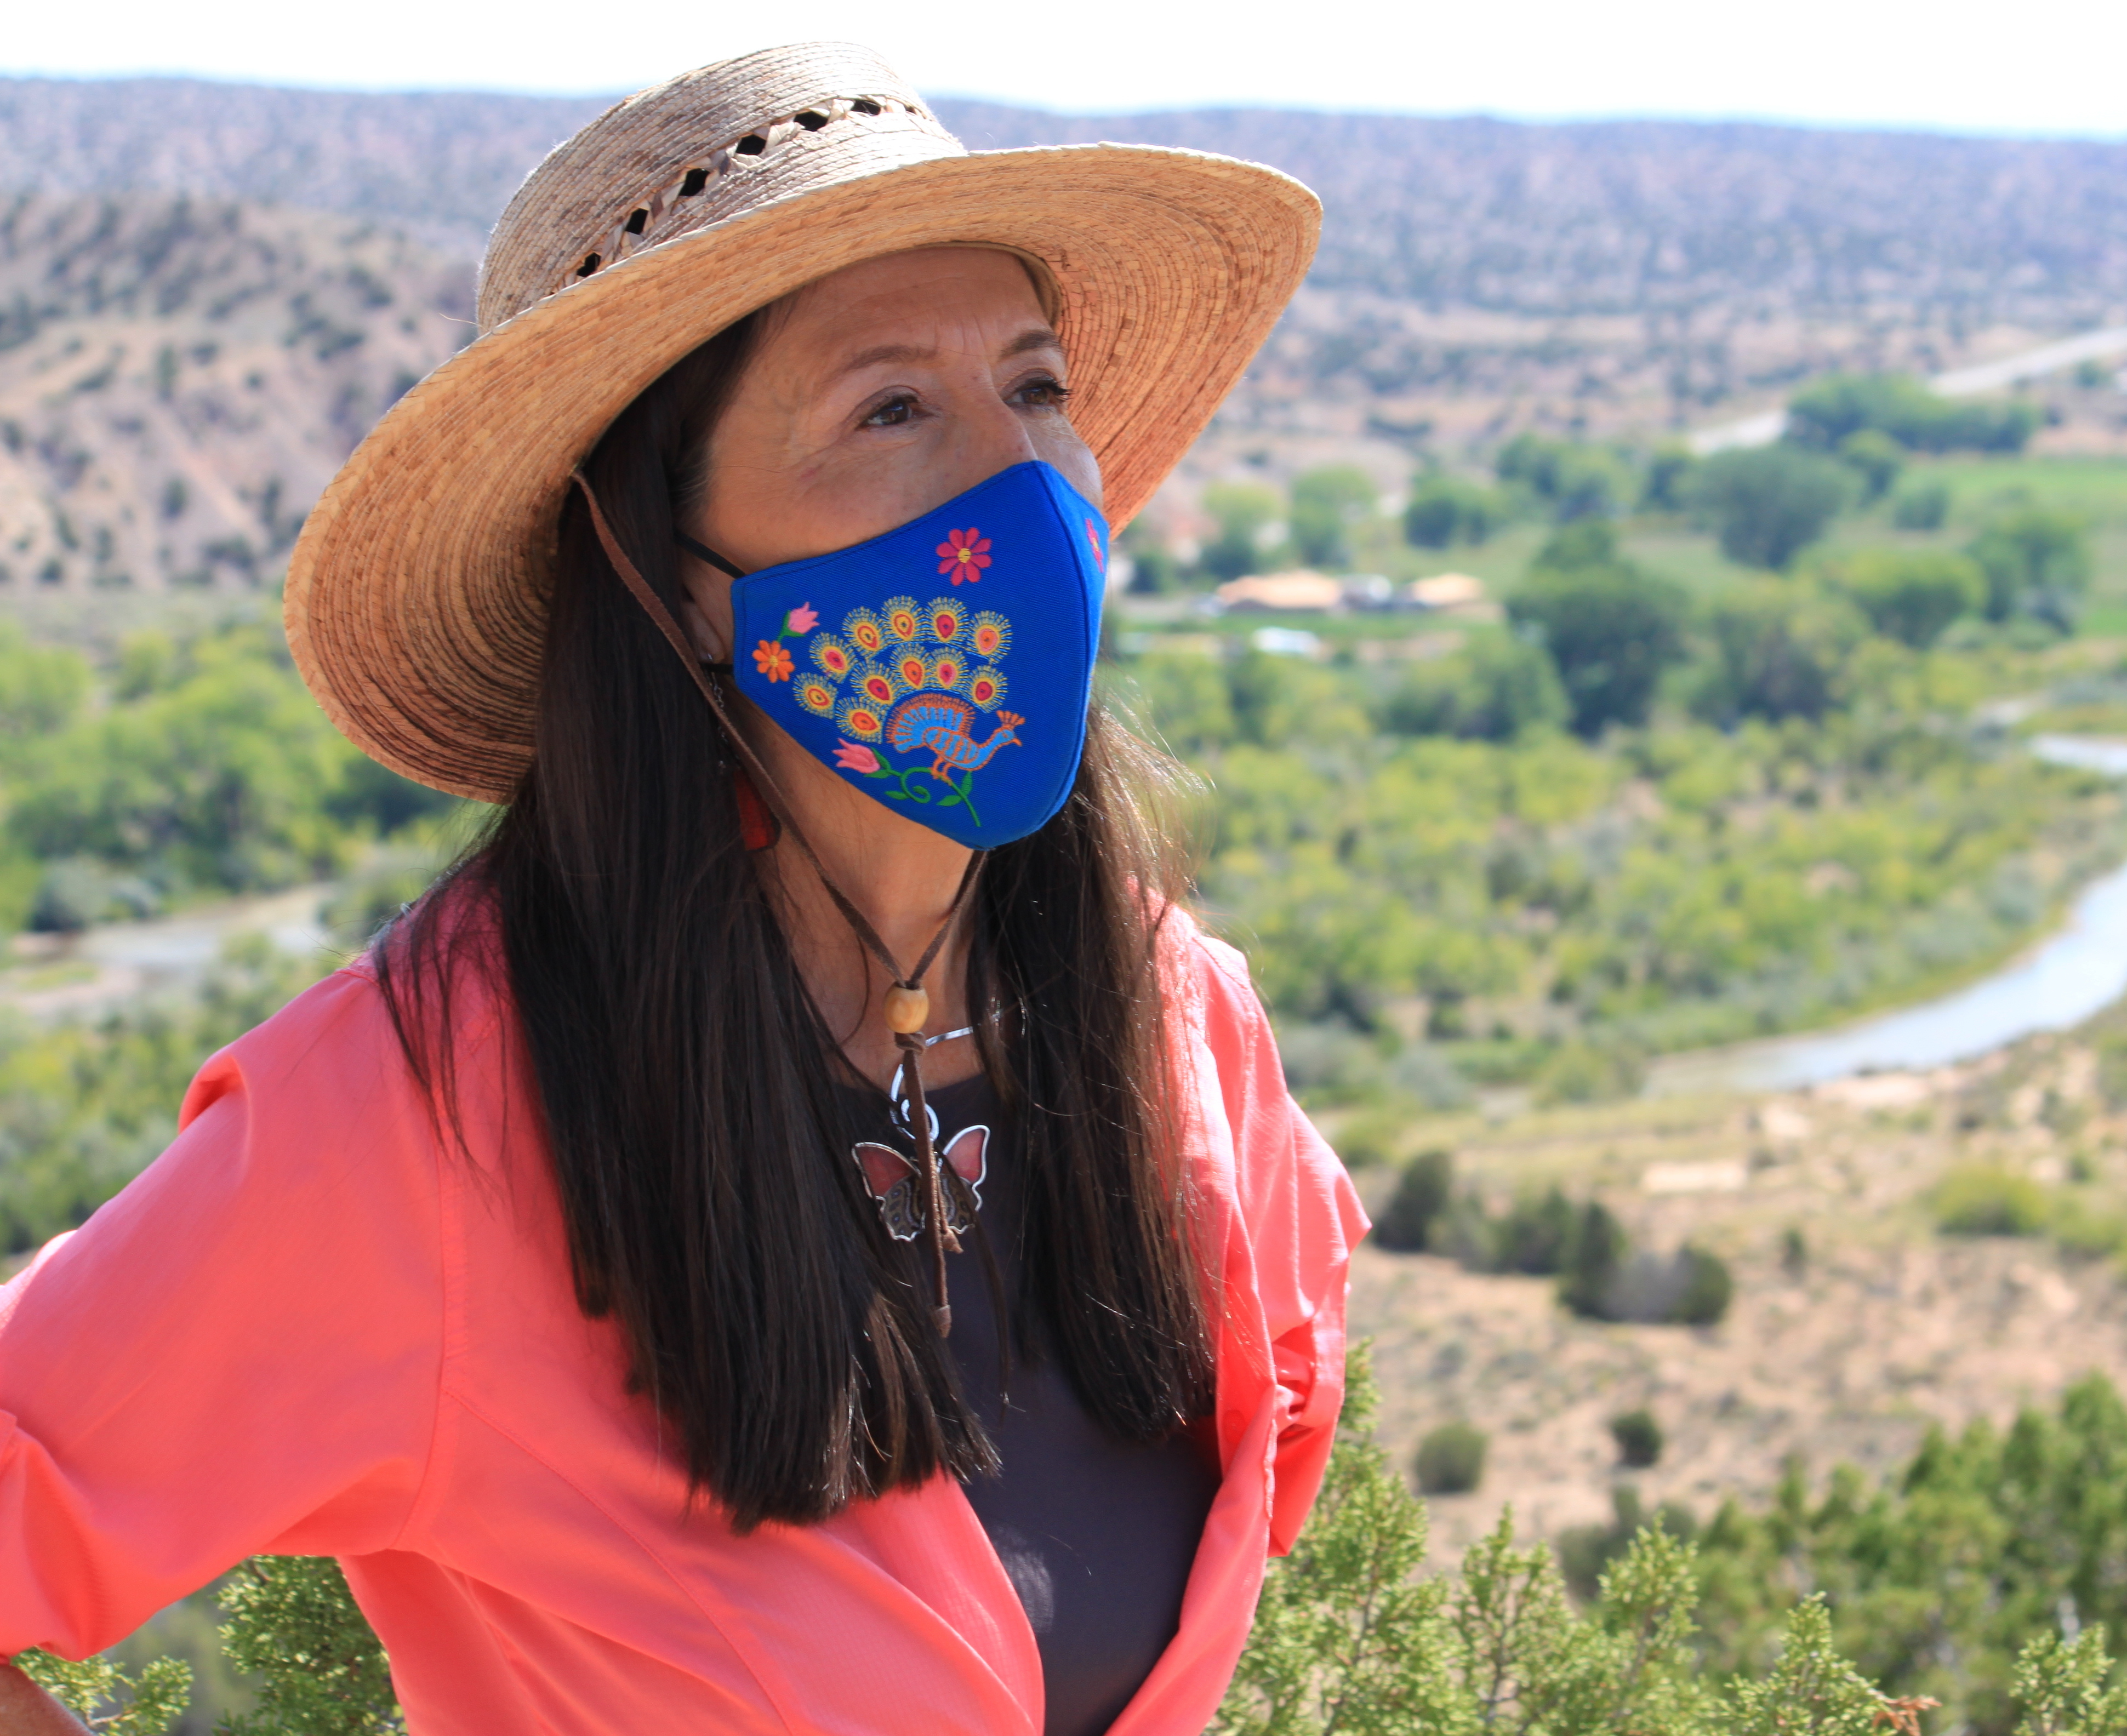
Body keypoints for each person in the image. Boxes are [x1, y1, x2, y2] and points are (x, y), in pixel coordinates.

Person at [0, 41, 1362, 1736]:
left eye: (1034, 389)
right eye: (890, 409)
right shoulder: (429, 1120)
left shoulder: (1180, 1031)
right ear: (674, 572)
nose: (1015, 494)